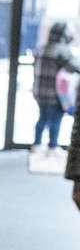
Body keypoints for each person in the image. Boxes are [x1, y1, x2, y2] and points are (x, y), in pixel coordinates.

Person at [32, 21, 79, 153]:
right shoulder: (62, 51)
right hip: (55, 94)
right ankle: (52, 147)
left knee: (42, 118)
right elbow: (75, 66)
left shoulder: (41, 49)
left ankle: (37, 145)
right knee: (55, 121)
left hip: (39, 92)